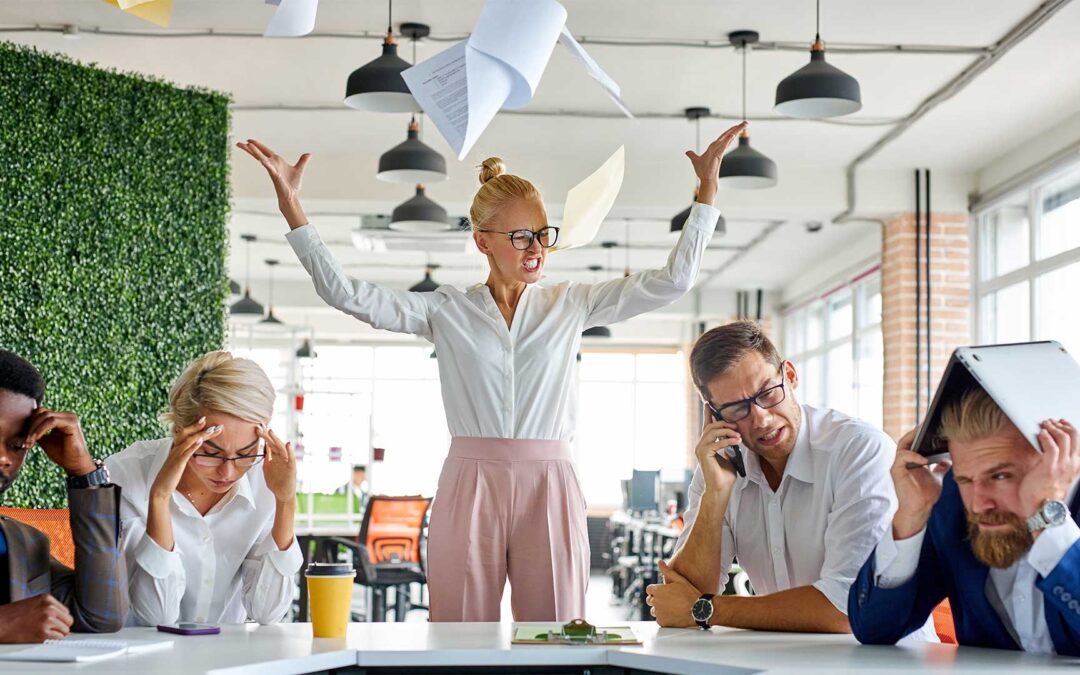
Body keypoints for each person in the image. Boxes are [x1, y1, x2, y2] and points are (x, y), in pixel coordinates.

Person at [237, 121, 746, 622]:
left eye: (542, 235)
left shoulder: (570, 304)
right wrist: (292, 207)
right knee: (458, 628)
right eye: (521, 236)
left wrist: (706, 193)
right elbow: (347, 294)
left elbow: (673, 281)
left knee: (554, 630)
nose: (537, 248)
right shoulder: (446, 309)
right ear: (482, 241)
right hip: (469, 478)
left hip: (550, 479)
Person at [646, 321, 935, 639]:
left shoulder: (859, 449)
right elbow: (680, 597)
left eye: (767, 393)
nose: (761, 419)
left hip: (886, 658)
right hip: (787, 657)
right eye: (737, 409)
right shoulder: (719, 466)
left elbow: (848, 608)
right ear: (715, 416)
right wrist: (714, 496)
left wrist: (706, 609)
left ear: (791, 375)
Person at [849, 387, 1080, 655]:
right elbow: (874, 629)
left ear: (1057, 460)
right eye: (964, 479)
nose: (978, 504)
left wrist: (1046, 516)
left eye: (1000, 476)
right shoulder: (950, 503)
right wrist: (910, 515)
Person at [106, 351, 302, 626]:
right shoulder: (125, 475)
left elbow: (267, 612)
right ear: (179, 430)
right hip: (142, 651)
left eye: (246, 453)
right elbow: (156, 615)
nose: (228, 472)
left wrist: (285, 500)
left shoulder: (266, 480)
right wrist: (160, 497)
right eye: (210, 453)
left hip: (227, 651)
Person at [0, 350, 127, 641]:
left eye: (17, 446)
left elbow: (101, 616)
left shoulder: (23, 544)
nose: (3, 458)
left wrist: (84, 474)